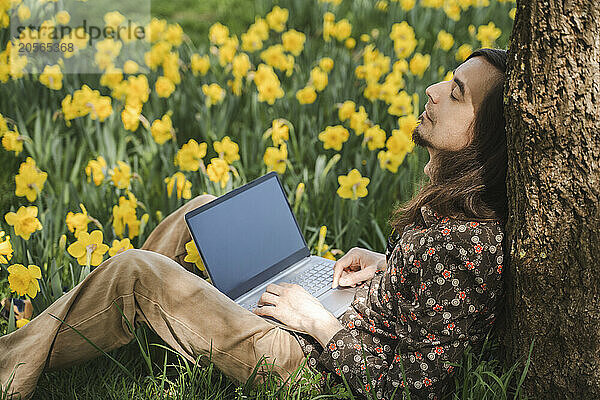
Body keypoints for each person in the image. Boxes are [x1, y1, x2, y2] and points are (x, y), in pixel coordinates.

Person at [0, 48, 508, 400]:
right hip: (343, 317)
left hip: (310, 361)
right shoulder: (457, 213)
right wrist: (386, 266)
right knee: (202, 209)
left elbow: (416, 386)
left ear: (483, 137)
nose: (434, 89)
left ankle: (10, 368)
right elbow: (425, 307)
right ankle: (100, 324)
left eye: (457, 93)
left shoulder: (468, 245)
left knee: (138, 272)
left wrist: (318, 322)